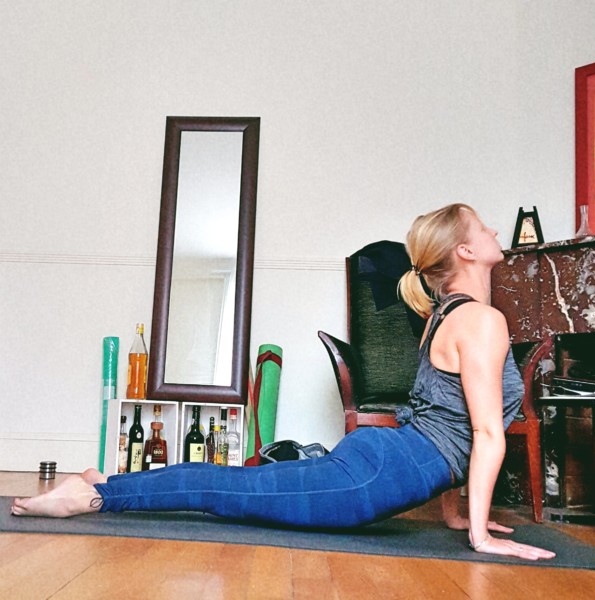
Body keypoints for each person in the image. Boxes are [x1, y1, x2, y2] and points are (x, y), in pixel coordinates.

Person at [11, 203, 555, 561]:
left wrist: (455, 515)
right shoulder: (481, 321)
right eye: (483, 227)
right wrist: (480, 536)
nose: (493, 231)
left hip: (385, 460)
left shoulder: (450, 315)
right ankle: (96, 496)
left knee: (232, 486)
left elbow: (448, 420)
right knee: (226, 491)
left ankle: (108, 482)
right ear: (465, 251)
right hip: (375, 476)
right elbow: (484, 433)